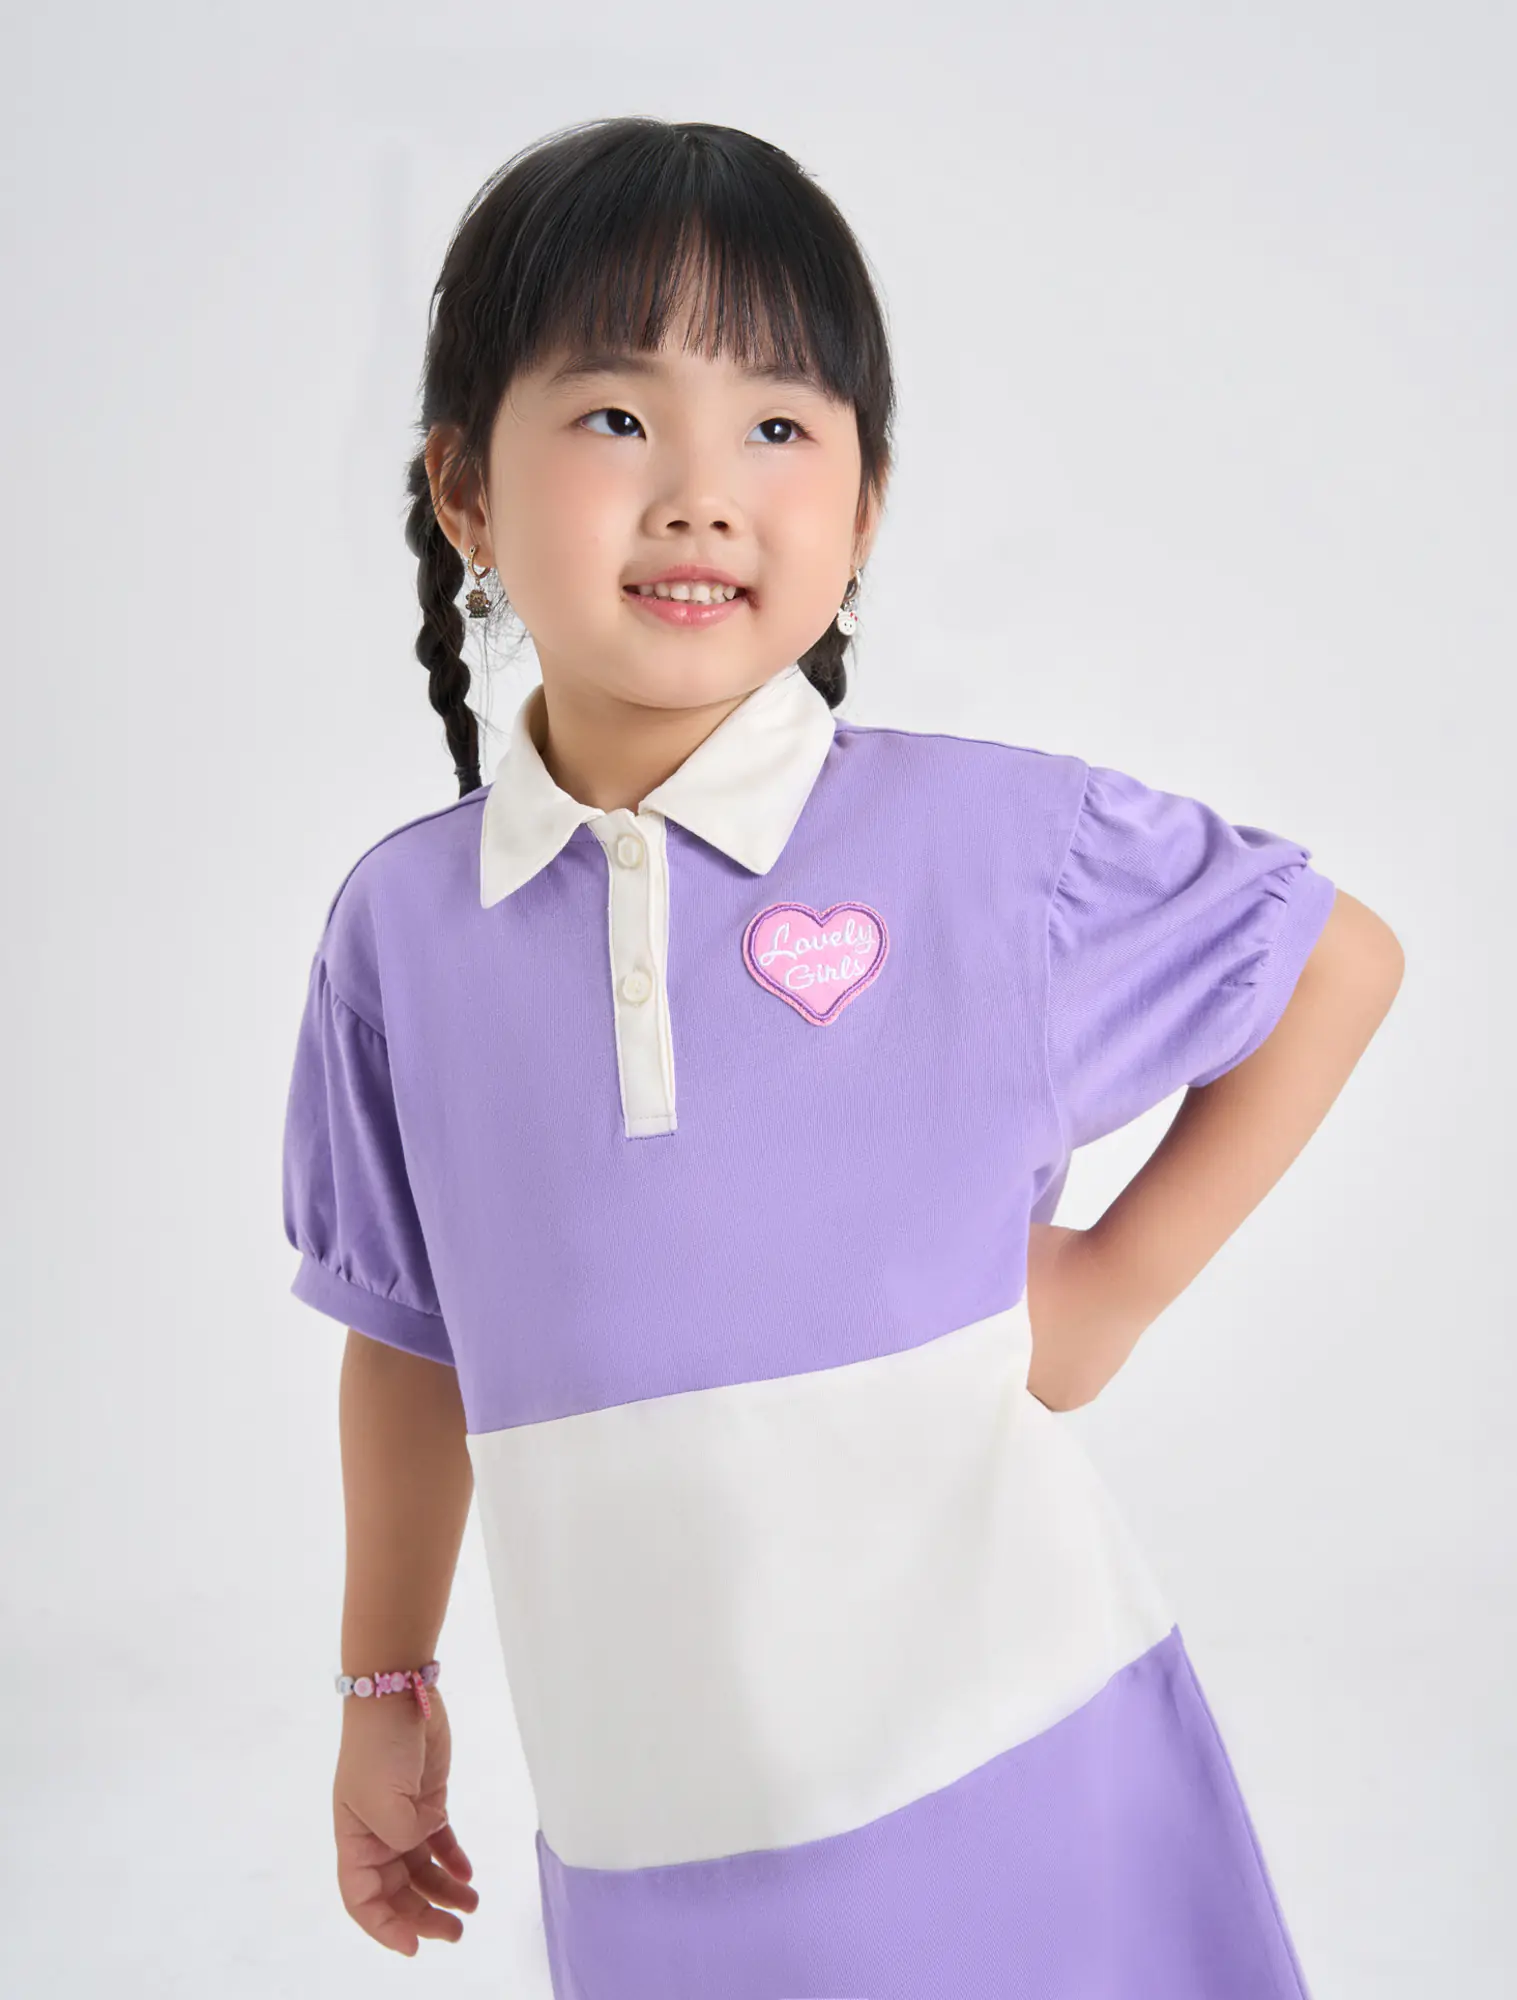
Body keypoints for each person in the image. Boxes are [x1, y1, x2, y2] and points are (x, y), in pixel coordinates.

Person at [280, 115, 1404, 1998]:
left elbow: (1332, 960)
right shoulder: (407, 934)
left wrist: (1110, 1294)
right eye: (618, 417)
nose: (702, 493)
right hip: (655, 1836)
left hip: (1026, 1763)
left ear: (865, 508)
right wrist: (383, 1681)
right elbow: (406, 1333)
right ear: (465, 490)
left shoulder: (986, 849)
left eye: (779, 428)